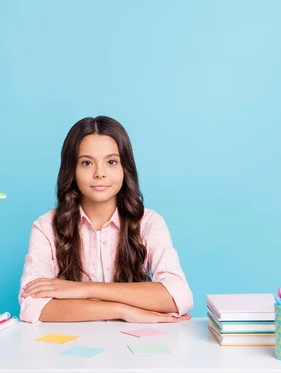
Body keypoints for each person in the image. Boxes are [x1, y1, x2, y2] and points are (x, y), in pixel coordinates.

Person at [18, 116, 193, 323]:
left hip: (132, 344)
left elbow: (179, 296)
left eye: (111, 162)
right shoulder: (46, 226)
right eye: (86, 163)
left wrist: (83, 289)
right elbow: (32, 306)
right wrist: (122, 311)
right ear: (71, 170)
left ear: (124, 168)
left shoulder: (149, 222)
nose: (100, 173)